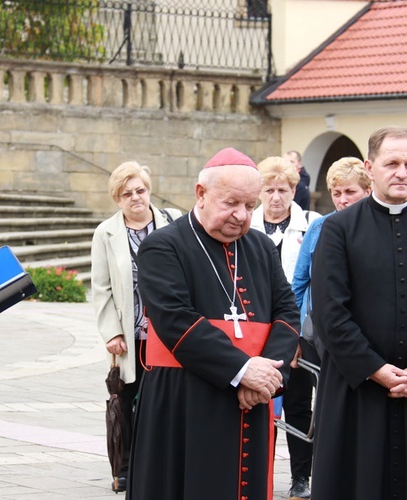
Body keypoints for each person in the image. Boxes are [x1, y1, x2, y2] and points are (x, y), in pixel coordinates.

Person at [128, 147, 300, 500]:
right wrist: (242, 369)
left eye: (251, 206)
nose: (241, 215)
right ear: (201, 194)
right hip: (184, 397)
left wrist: (267, 376)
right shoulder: (163, 246)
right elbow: (175, 320)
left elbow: (287, 311)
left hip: (252, 398)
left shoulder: (260, 247)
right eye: (232, 203)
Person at [309, 126, 407, 500]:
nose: (402, 172)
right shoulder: (337, 228)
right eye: (392, 163)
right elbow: (330, 312)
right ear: (370, 167)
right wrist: (375, 370)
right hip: (356, 387)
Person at [91, 161, 182, 492]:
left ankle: (159, 462)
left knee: (164, 399)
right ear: (118, 199)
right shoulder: (106, 233)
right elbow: (101, 287)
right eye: (127, 194)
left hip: (168, 332)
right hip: (130, 334)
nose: (135, 198)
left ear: (149, 190)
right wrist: (112, 332)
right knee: (127, 399)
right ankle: (126, 467)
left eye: (140, 190)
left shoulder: (172, 223)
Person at [250, 156, 320, 499]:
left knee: (296, 407)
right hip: (252, 327)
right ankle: (255, 474)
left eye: (283, 190)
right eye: (269, 190)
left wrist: (294, 336)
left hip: (295, 331)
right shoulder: (245, 224)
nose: (276, 197)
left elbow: (309, 284)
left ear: (294, 190)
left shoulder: (312, 225)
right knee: (254, 402)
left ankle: (300, 477)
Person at [291, 157, 372, 327]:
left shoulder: (378, 227)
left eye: (350, 192)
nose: (343, 200)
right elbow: (299, 283)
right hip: (321, 328)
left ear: (368, 190)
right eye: (337, 193)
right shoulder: (317, 228)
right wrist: (295, 331)